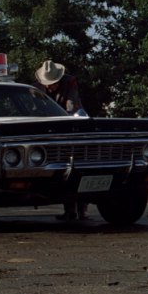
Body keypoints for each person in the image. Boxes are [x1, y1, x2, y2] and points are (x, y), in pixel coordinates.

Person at [33, 60, 88, 220]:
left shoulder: (70, 82)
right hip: (48, 129)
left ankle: (81, 209)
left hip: (71, 124)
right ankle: (70, 210)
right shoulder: (36, 88)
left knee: (78, 167)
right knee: (63, 171)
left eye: (53, 83)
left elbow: (72, 106)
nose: (50, 87)